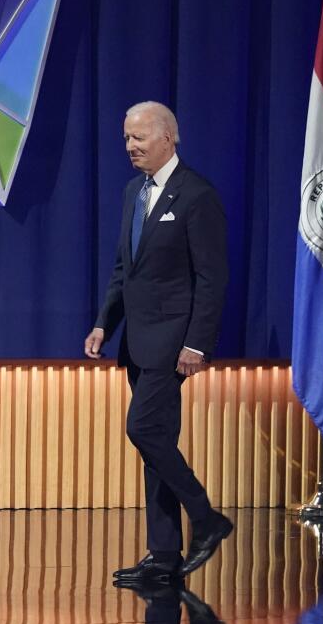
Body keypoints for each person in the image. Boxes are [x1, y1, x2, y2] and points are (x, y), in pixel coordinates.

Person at [85, 101, 231, 585]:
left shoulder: (196, 195)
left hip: (173, 343)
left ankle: (207, 518)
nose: (130, 146)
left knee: (143, 429)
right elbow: (125, 268)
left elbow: (211, 279)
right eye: (126, 138)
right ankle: (164, 555)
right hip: (136, 341)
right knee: (157, 444)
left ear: (169, 137)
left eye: (139, 137)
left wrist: (197, 344)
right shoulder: (134, 192)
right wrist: (105, 323)